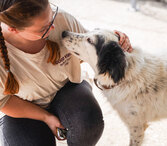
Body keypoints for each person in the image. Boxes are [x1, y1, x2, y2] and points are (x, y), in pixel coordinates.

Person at [0, 0, 133, 146]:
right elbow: (4, 101)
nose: (54, 26)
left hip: (67, 87)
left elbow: (89, 49)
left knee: (89, 124)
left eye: (52, 16)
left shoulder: (61, 18)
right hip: (23, 105)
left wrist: (115, 40)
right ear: (13, 29)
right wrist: (46, 117)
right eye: (43, 29)